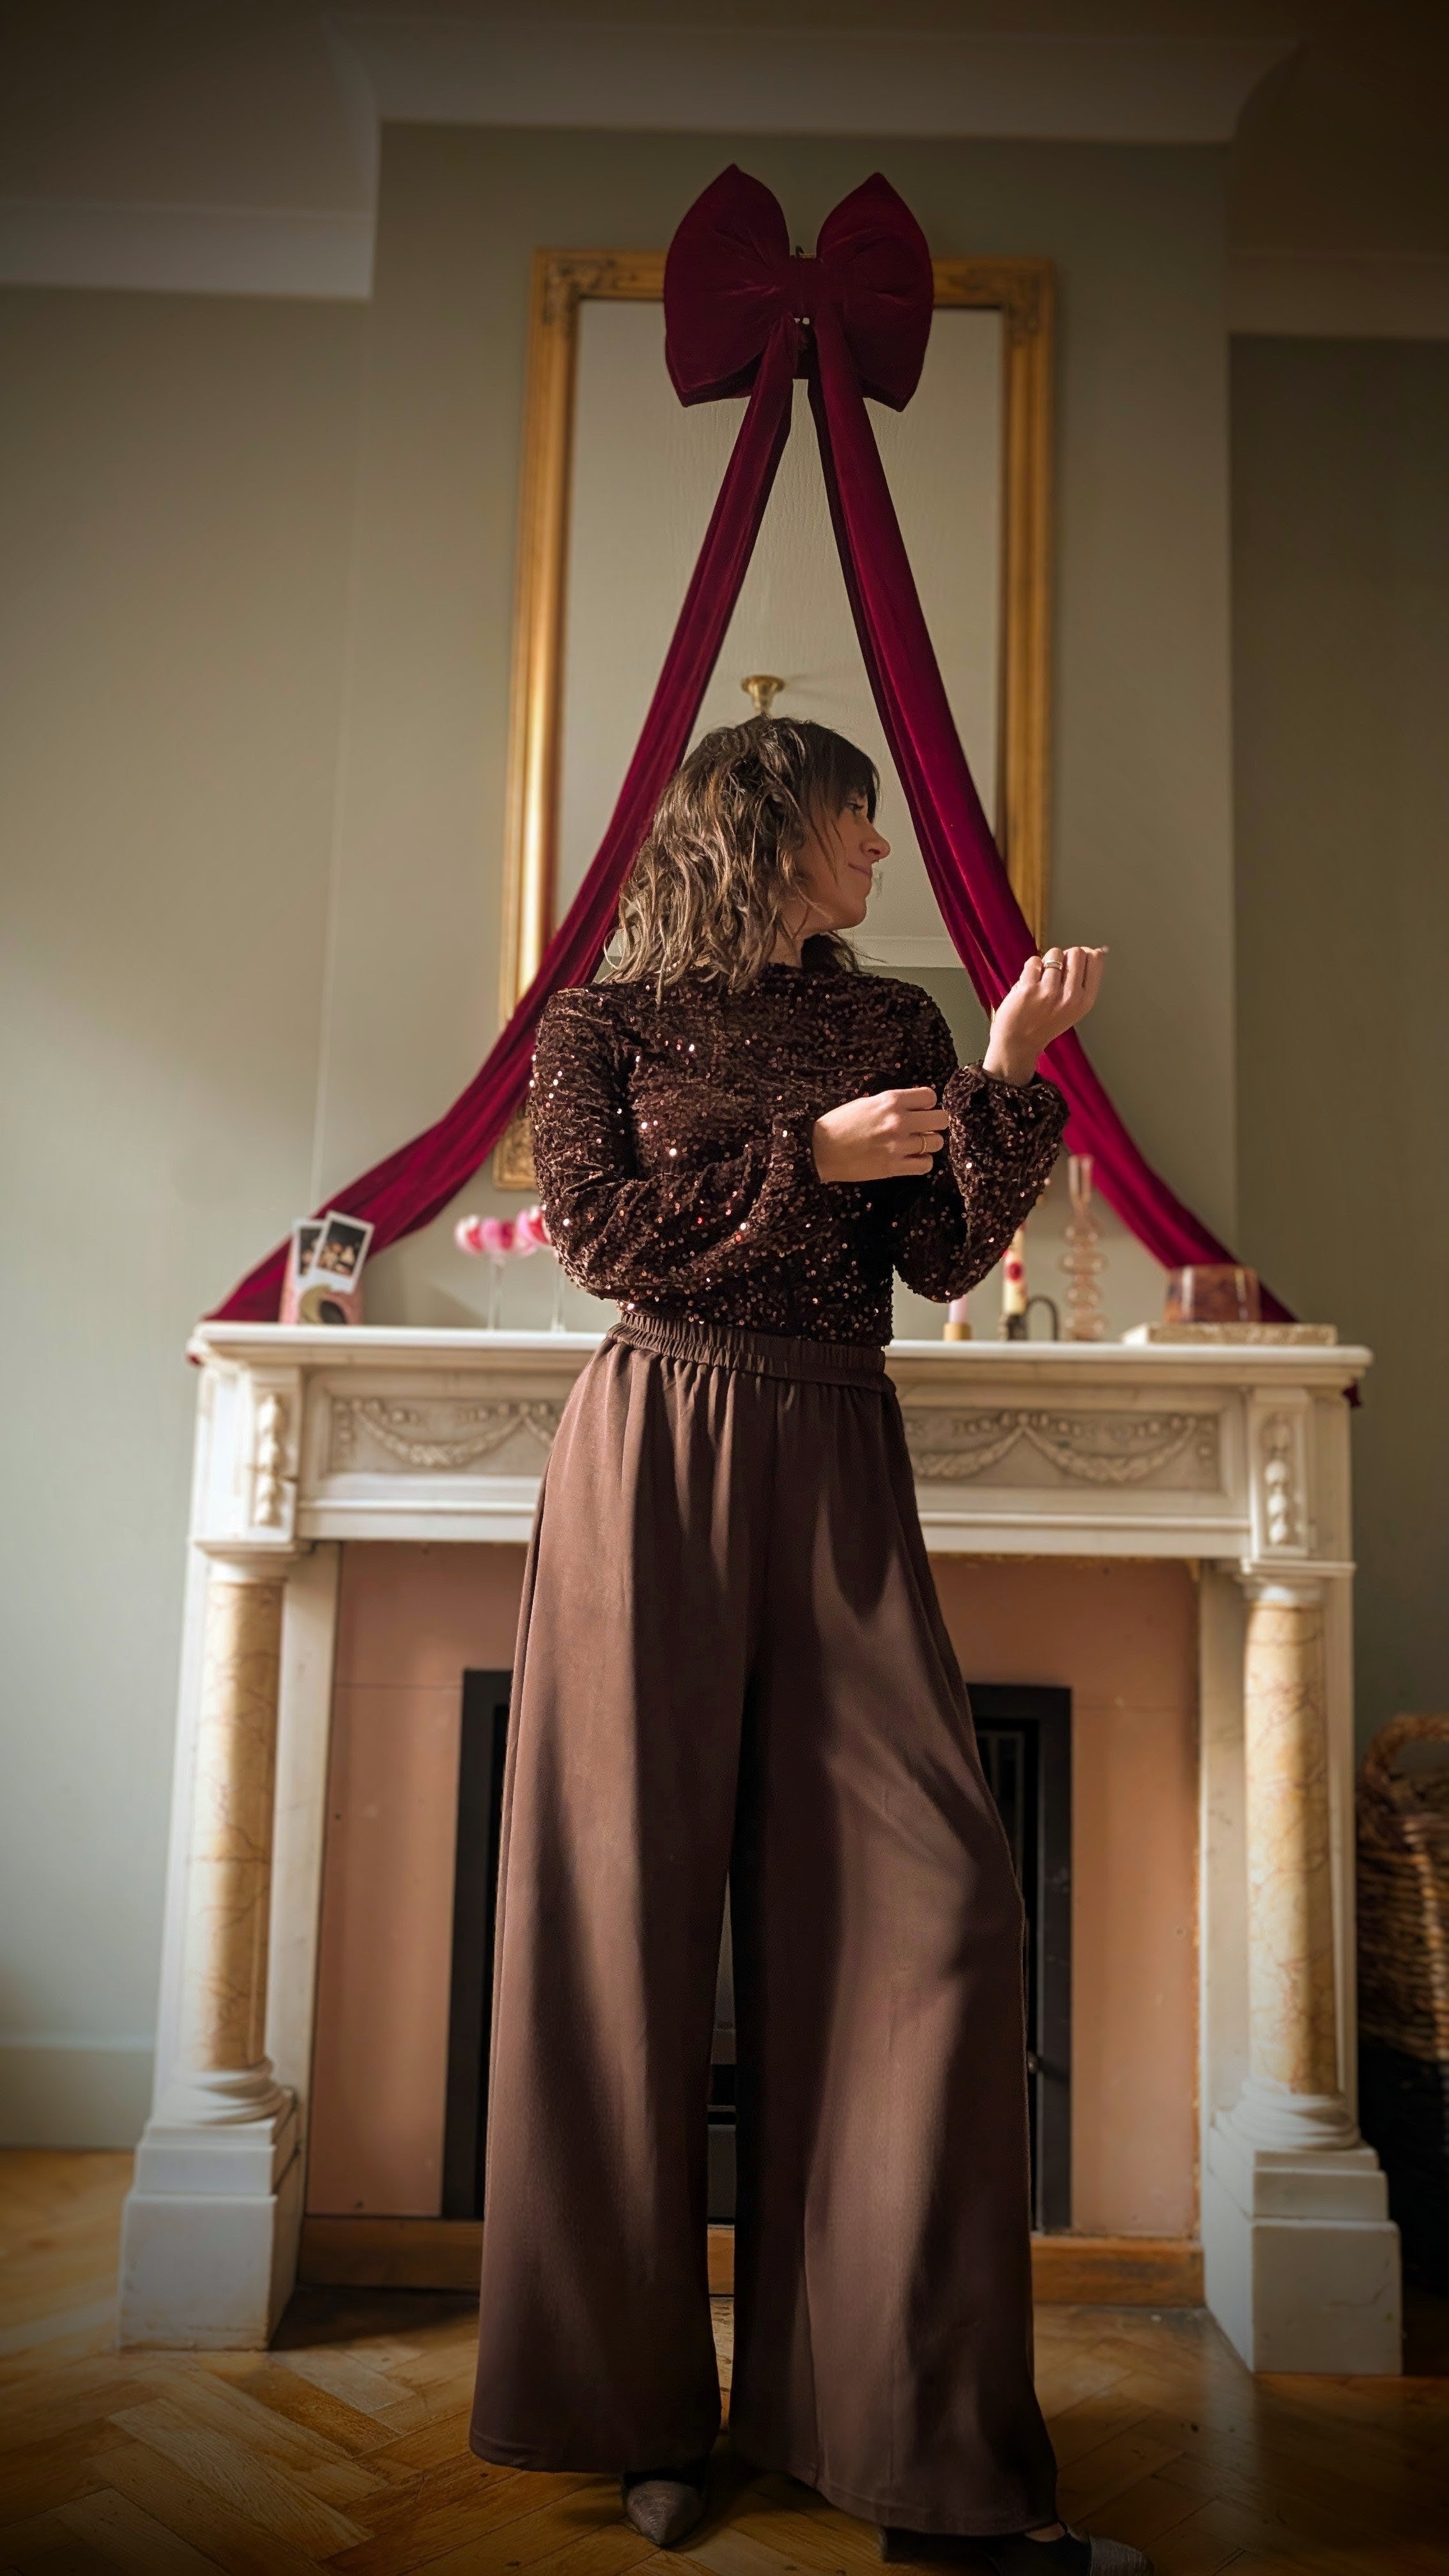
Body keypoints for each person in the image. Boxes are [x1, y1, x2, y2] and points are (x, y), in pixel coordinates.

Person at [470, 717, 1147, 2576]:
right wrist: (809, 1158)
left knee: (940, 1907)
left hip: (837, 1445)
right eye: (860, 820)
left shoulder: (891, 1020)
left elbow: (937, 1262)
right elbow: (600, 1239)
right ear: (769, 829)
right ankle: (635, 2416)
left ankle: (905, 2446)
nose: (880, 853)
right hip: (655, 1449)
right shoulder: (601, 1025)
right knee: (622, 1917)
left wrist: (1003, 1073)